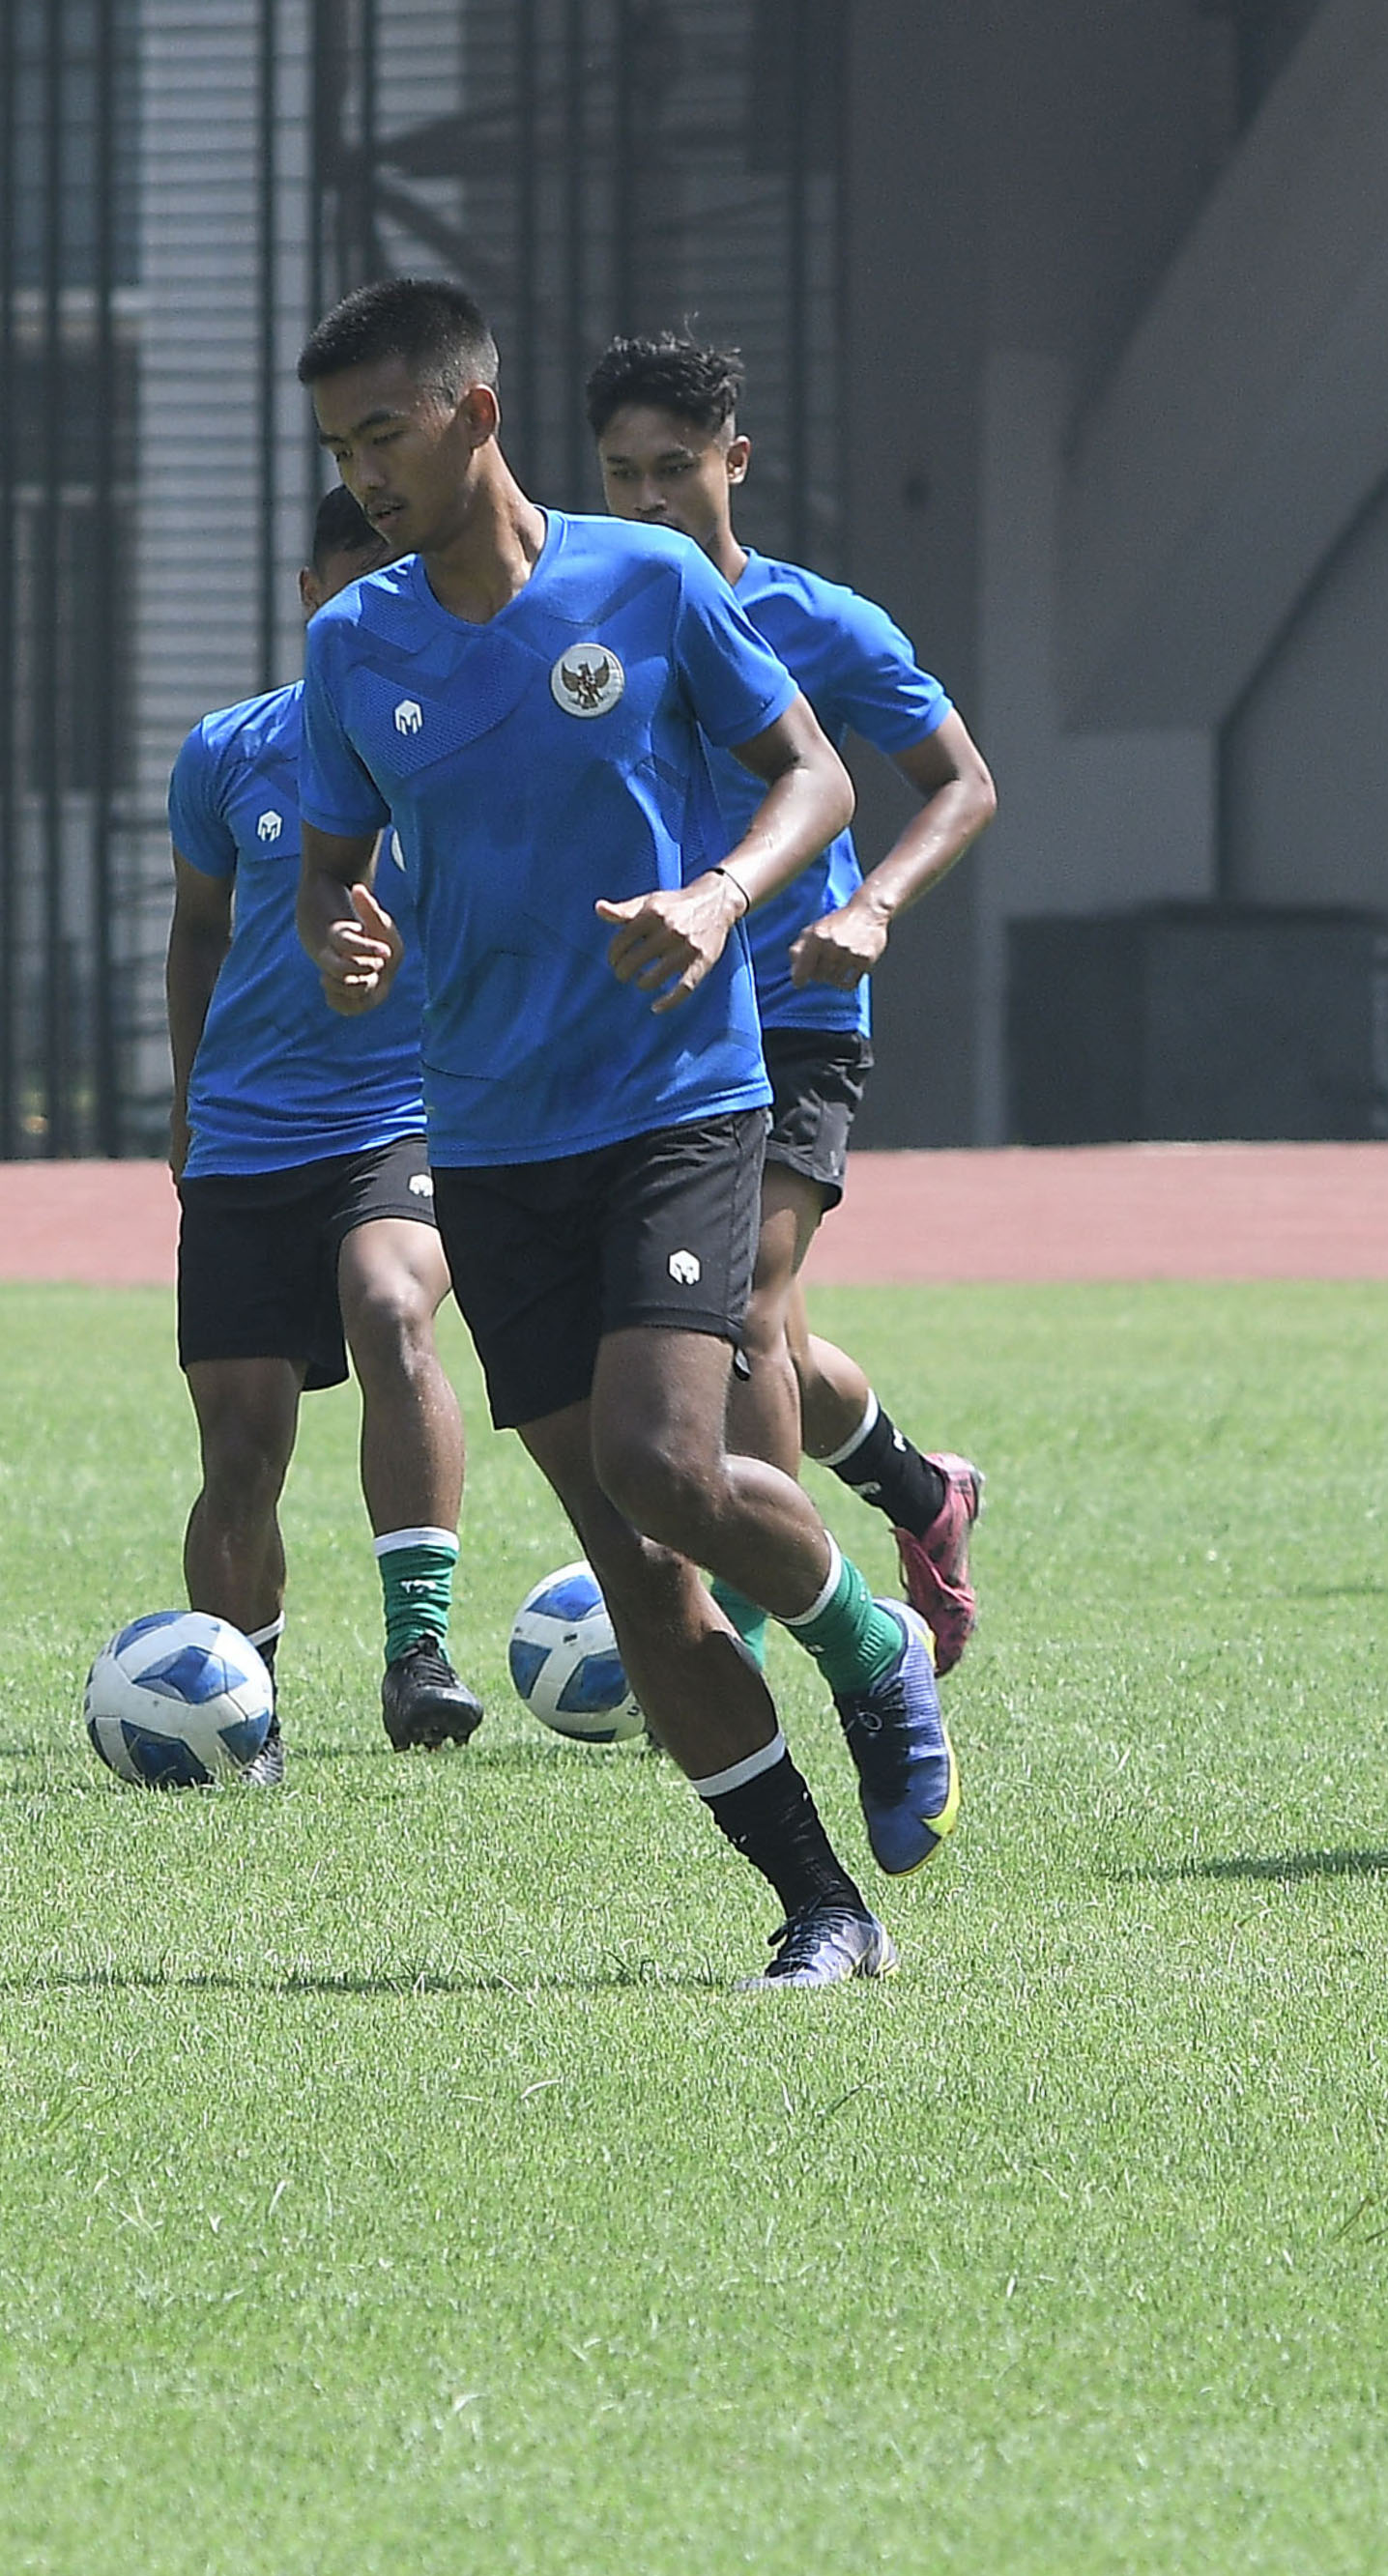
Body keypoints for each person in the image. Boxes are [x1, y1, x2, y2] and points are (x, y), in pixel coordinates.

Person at [290, 276, 950, 1989]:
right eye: (341, 448)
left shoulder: (645, 580)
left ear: (475, 413)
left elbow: (818, 775)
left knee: (668, 1461)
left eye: (385, 433)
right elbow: (332, 864)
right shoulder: (354, 643)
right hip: (490, 1135)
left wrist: (720, 897)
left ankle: (864, 1640)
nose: (364, 474)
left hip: (677, 1097)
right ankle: (824, 1907)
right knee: (635, 1564)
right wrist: (343, 932)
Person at [586, 332, 998, 1673]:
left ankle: (754, 1629)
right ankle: (922, 1492)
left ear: (736, 461)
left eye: (675, 467)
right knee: (739, 1330)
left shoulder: (823, 623)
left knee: (742, 1309)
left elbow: (962, 782)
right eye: (621, 474)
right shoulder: (581, 630)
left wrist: (871, 906)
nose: (648, 498)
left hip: (795, 1011)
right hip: (655, 1020)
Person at [162, 485, 481, 1769]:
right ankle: (243, 1714)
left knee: (391, 1302)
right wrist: (185, 1096)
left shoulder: (465, 744)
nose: (379, 618)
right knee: (241, 1448)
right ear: (310, 598)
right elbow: (199, 929)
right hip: (245, 1137)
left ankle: (420, 1650)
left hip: (404, 1115)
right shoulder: (227, 750)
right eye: (355, 591)